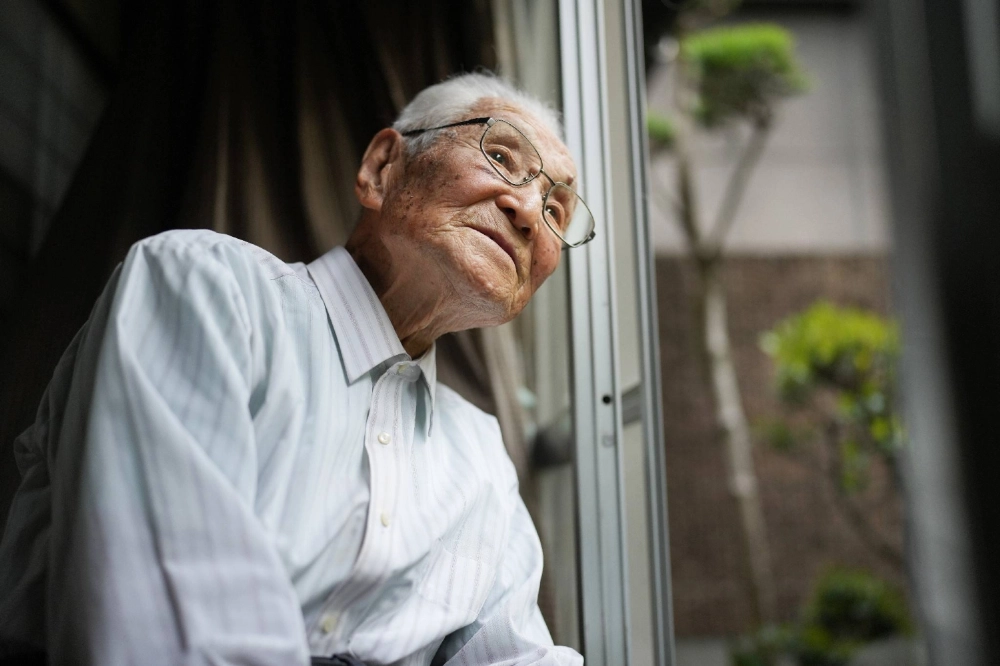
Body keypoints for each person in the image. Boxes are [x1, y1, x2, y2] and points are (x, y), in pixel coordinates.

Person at [0, 73, 595, 665]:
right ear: (383, 167)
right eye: (499, 155)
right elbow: (174, 632)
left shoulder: (482, 456)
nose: (526, 210)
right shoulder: (202, 287)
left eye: (555, 211)